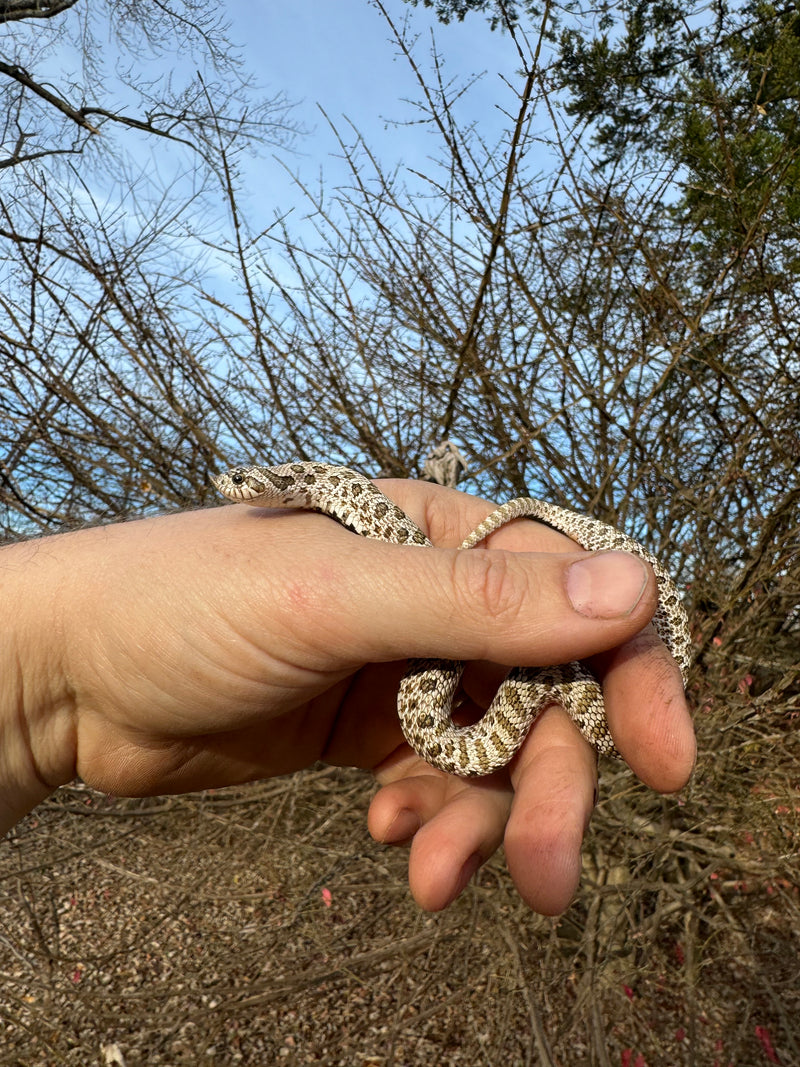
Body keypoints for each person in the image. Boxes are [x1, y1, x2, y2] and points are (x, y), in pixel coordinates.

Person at [0, 476, 694, 915]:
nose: (234, 490)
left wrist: (54, 673)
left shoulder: (344, 498)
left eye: (248, 485)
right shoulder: (324, 509)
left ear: (288, 488)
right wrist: (60, 655)